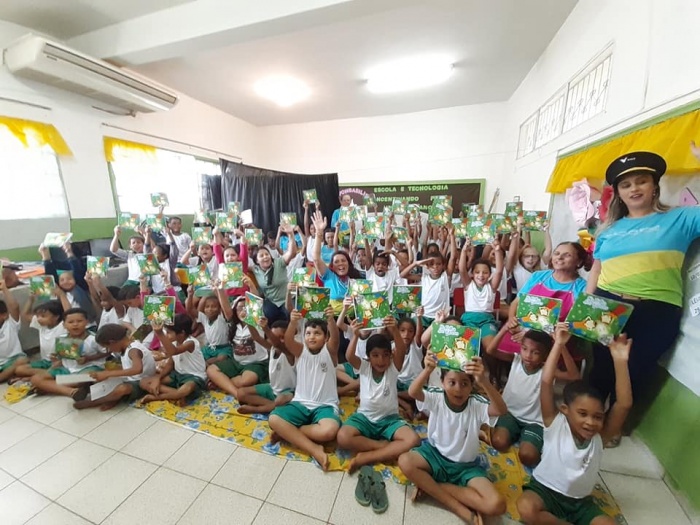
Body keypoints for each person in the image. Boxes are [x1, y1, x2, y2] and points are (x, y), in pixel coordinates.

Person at [586, 151, 700, 437]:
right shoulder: (609, 230)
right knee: (600, 370)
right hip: (606, 303)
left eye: (641, 181)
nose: (634, 189)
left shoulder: (680, 218)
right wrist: (587, 302)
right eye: (626, 185)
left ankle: (612, 431)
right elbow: (597, 268)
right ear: (618, 193)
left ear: (654, 186)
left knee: (635, 372)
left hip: (656, 311)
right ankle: (585, 429)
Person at [516, 324, 632, 525]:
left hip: (579, 502)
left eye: (598, 417)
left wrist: (620, 361)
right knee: (526, 508)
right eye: (582, 414)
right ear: (565, 409)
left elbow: (623, 404)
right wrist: (558, 344)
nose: (590, 422)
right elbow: (546, 382)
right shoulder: (554, 423)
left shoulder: (600, 438)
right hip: (544, 491)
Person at [398, 353, 507, 523]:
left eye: (464, 383)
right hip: (435, 456)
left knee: (497, 505)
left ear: (472, 386)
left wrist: (484, 381)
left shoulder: (476, 404)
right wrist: (427, 370)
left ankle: (432, 487)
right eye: (452, 382)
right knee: (405, 461)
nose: (458, 389)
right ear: (442, 382)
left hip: (466, 467)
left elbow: (501, 410)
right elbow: (413, 392)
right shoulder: (437, 397)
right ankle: (456, 506)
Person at [337, 318, 421, 476]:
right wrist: (355, 335)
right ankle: (381, 446)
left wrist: (394, 330)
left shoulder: (393, 368)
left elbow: (401, 350)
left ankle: (366, 457)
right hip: (365, 417)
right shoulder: (364, 367)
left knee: (413, 440)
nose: (381, 360)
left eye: (385, 355)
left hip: (390, 420)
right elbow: (349, 356)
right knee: (342, 437)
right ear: (368, 357)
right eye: (375, 355)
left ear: (391, 356)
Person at [486, 325, 579, 466]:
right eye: (524, 349)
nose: (528, 355)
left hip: (535, 422)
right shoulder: (516, 360)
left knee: (528, 456)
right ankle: (516, 435)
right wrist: (505, 328)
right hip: (510, 414)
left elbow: (573, 376)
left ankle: (528, 440)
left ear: (546, 355)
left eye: (535, 352)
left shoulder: (548, 371)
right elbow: (490, 350)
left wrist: (560, 345)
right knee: (499, 442)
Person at [268, 307, 341, 471]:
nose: (312, 337)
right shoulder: (300, 351)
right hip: (300, 403)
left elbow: (335, 338)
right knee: (274, 419)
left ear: (325, 337)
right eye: (308, 333)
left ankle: (289, 432)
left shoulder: (329, 352)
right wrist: (293, 322)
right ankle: (314, 449)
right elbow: (288, 341)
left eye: (317, 333)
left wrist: (331, 321)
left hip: (325, 406)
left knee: (329, 431)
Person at [498, 242, 589, 355]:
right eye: (556, 253)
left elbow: (576, 324)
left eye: (567, 255)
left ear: (579, 261)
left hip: (554, 338)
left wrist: (532, 334)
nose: (559, 257)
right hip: (523, 330)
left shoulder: (583, 287)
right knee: (497, 348)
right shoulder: (538, 276)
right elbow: (516, 302)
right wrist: (512, 320)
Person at [73, 323, 157, 410]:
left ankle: (94, 402)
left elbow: (137, 369)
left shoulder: (134, 350)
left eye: (107, 347)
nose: (109, 350)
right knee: (98, 376)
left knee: (122, 389)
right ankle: (91, 390)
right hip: (129, 378)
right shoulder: (125, 347)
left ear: (112, 342)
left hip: (142, 382)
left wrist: (108, 374)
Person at [30, 308, 107, 399]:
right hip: (67, 369)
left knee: (84, 378)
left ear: (86, 322)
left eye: (79, 321)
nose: (75, 324)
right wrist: (55, 358)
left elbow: (107, 352)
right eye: (70, 322)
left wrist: (88, 358)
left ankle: (47, 387)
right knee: (35, 379)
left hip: (88, 368)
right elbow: (59, 358)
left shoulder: (94, 338)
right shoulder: (62, 339)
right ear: (64, 325)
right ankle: (71, 391)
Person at [206, 292, 269, 398]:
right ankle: (236, 393)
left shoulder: (257, 323)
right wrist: (220, 289)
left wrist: (250, 284)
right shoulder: (234, 326)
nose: (243, 310)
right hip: (236, 362)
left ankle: (222, 383)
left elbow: (256, 299)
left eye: (246, 307)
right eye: (239, 308)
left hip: (255, 363)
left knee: (246, 381)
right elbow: (227, 310)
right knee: (211, 370)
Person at [140, 314, 207, 405]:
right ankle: (177, 395)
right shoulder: (174, 342)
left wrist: (160, 333)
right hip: (178, 375)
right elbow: (170, 364)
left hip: (194, 377)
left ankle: (156, 397)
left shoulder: (191, 342)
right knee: (143, 382)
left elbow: (174, 351)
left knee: (186, 389)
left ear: (182, 333)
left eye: (169, 333)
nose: (167, 335)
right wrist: (158, 378)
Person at [400, 226, 457, 326]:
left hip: (440, 317)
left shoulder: (445, 276)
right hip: (424, 315)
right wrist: (415, 263)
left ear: (443, 265)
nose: (435, 267)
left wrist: (451, 236)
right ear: (427, 266)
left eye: (438, 264)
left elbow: (453, 258)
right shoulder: (423, 277)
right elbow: (402, 275)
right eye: (431, 264)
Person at [237, 319, 296, 414]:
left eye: (282, 337)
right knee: (241, 393)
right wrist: (247, 320)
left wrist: (265, 328)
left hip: (287, 392)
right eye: (273, 337)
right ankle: (272, 406)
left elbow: (277, 343)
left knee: (281, 400)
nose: (278, 340)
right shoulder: (272, 349)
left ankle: (258, 409)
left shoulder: (290, 353)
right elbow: (256, 337)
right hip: (272, 388)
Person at [311, 211, 364, 314]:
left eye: (343, 260)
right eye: (336, 262)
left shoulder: (355, 279)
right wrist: (319, 232)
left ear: (349, 263)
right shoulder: (329, 275)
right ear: (332, 266)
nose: (340, 264)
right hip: (333, 319)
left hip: (354, 320)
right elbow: (316, 259)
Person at [459, 238, 504, 353]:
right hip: (469, 321)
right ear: (472, 274)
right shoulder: (468, 285)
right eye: (477, 272)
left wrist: (497, 250)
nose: (481, 275)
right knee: (467, 349)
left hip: (487, 322)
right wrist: (464, 250)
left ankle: (487, 364)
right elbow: (462, 269)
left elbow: (499, 271)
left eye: (485, 272)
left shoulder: (491, 286)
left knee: (490, 348)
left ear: (490, 275)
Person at [251, 225, 297, 324]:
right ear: (256, 261)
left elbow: (292, 253)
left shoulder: (279, 262)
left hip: (287, 300)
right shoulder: (255, 270)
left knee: (290, 317)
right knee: (266, 316)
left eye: (267, 254)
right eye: (261, 256)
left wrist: (291, 234)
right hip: (271, 302)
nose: (265, 257)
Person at [39, 242, 95, 322]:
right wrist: (46, 258)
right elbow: (51, 278)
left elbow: (78, 272)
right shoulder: (59, 292)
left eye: (69, 279)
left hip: (88, 321)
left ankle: (68, 252)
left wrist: (69, 252)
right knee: (51, 284)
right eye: (62, 280)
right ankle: (47, 256)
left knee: (79, 277)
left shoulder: (81, 287)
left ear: (75, 280)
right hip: (67, 323)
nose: (66, 282)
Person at [16, 299, 66, 378]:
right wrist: (31, 299)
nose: (39, 319)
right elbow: (25, 315)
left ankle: (43, 375)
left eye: (43, 316)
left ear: (56, 317)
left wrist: (61, 294)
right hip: (45, 362)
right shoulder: (41, 326)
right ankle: (47, 374)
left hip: (59, 363)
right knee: (19, 369)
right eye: (37, 316)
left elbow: (68, 311)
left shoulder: (63, 327)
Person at [186, 289, 231, 365]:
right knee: (196, 356)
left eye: (214, 307)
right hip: (209, 348)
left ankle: (205, 364)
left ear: (219, 309)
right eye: (207, 307)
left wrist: (218, 292)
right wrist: (190, 295)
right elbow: (190, 309)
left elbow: (225, 307)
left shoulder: (222, 318)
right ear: (204, 309)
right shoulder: (204, 318)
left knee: (221, 358)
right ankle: (205, 363)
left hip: (223, 348)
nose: (210, 309)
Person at [0, 280, 28, 383]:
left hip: (15, 360)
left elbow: (14, 306)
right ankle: (10, 376)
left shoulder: (10, 324)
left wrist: (4, 288)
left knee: (22, 363)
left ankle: (8, 375)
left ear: (4, 315)